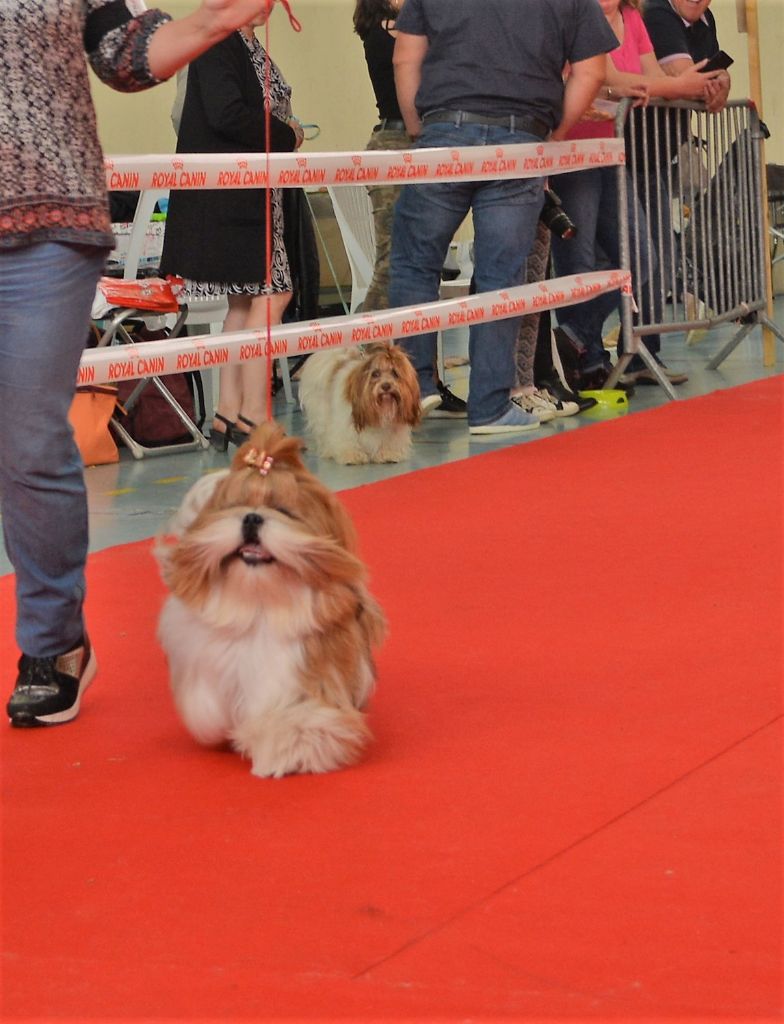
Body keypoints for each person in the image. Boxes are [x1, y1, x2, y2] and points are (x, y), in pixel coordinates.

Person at [0, 0, 279, 729]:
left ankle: (52, 645)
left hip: (44, 226)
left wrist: (218, 20)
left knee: (29, 439)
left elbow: (127, 53)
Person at [387, 0, 617, 434]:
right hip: (522, 139)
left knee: (415, 263)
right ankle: (491, 407)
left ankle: (412, 385)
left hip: (445, 131)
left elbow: (405, 56)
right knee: (501, 278)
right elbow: (592, 72)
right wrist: (552, 134)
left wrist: (421, 129)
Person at [548, 0, 722, 391]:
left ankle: (572, 341)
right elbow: (604, 76)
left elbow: (644, 77)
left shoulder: (632, 19)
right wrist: (675, 87)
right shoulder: (576, 13)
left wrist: (657, 85)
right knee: (578, 265)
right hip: (570, 151)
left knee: (641, 259)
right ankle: (587, 358)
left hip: (611, 148)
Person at [160, 7, 303, 450]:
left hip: (256, 195)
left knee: (244, 302)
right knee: (273, 294)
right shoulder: (219, 42)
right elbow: (227, 114)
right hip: (234, 195)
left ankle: (227, 412)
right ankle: (254, 415)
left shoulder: (242, 42)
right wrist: (288, 134)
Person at [353, 0, 466, 417]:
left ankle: (424, 377)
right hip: (396, 143)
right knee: (394, 264)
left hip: (431, 142)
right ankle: (365, 365)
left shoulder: (422, 22)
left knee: (426, 266)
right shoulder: (380, 30)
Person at [619, 0, 731, 384]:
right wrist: (705, 87)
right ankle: (606, 355)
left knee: (660, 257)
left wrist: (715, 88)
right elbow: (683, 75)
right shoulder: (656, 16)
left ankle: (643, 354)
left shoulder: (702, 20)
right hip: (628, 153)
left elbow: (715, 77)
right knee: (634, 256)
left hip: (656, 156)